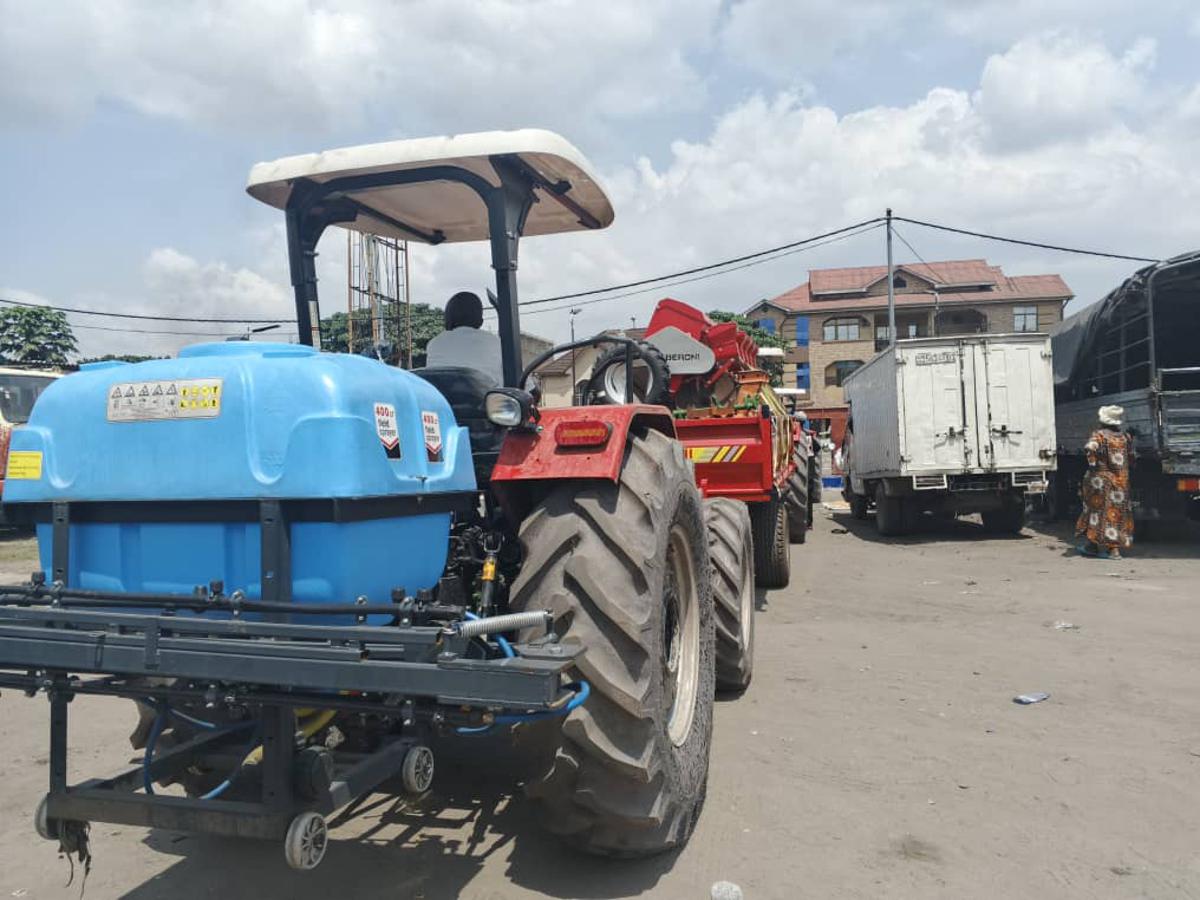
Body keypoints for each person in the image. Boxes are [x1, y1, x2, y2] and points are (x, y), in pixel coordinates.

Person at [1075, 404, 1134, 559]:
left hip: (1101, 481)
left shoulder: (1099, 435)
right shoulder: (1125, 437)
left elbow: (1090, 448)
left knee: (1096, 511)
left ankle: (1092, 546)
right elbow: (1132, 457)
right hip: (1121, 481)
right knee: (1116, 513)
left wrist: (1094, 466)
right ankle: (1114, 550)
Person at [424, 291, 503, 384]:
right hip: (485, 397)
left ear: (448, 320)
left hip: (443, 397)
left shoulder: (435, 343)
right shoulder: (495, 342)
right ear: (480, 322)